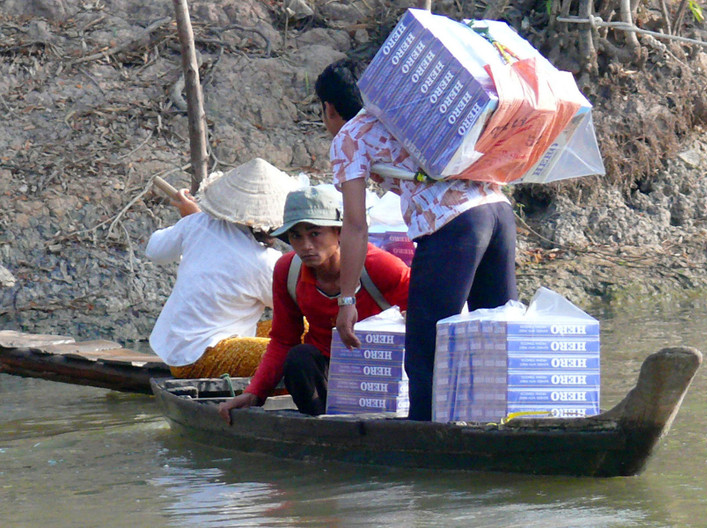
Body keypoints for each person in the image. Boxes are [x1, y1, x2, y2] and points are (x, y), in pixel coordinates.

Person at [316, 59, 518, 421]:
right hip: (498, 211)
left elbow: (355, 225)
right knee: (494, 338)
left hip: (453, 223)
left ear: (329, 108)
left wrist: (347, 300)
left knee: (426, 351)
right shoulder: (408, 111)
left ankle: (424, 441)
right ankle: (504, 430)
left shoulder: (350, 135)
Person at [218, 186, 410, 421]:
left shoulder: (379, 266)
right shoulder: (288, 271)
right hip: (325, 374)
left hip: (378, 372)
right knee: (299, 358)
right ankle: (321, 426)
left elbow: (423, 316)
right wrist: (254, 394)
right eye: (296, 236)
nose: (306, 245)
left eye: (315, 233)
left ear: (339, 233)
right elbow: (283, 340)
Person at [147, 158, 303, 378]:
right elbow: (295, 305)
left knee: (306, 330)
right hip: (198, 358)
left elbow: (155, 250)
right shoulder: (265, 263)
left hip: (179, 347)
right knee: (302, 352)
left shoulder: (197, 222)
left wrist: (192, 221)